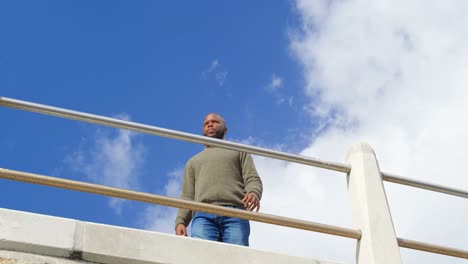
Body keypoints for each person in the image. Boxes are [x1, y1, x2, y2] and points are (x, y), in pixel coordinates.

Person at [175, 113, 263, 246]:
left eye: (215, 121)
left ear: (225, 129)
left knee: (236, 257)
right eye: (206, 123)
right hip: (202, 214)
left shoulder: (239, 151)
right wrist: (181, 221)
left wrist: (254, 192)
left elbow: (252, 178)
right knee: (201, 255)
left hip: (235, 212)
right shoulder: (193, 162)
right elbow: (187, 195)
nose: (210, 124)